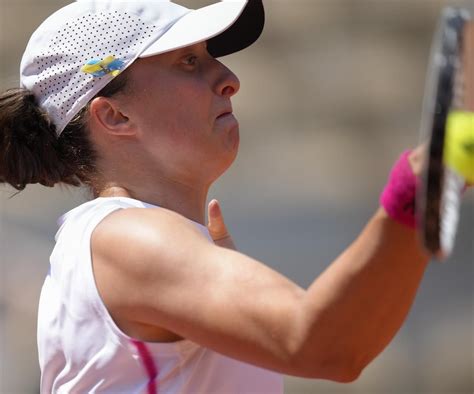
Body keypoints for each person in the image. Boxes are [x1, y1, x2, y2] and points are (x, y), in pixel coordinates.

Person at [0, 0, 448, 393]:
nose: (229, 78)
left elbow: (340, 345)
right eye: (189, 62)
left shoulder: (127, 238)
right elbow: (326, 346)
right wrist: (417, 189)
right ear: (115, 115)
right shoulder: (126, 238)